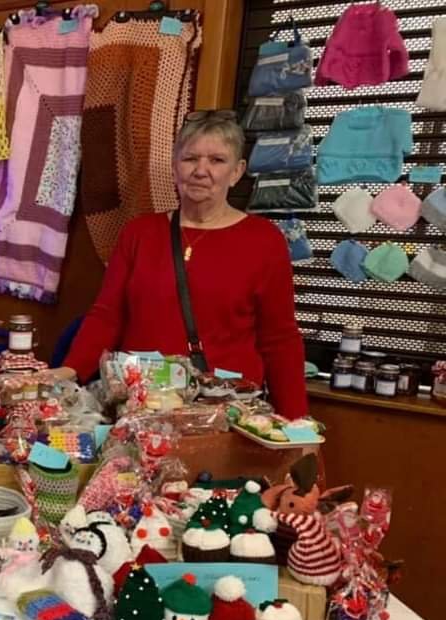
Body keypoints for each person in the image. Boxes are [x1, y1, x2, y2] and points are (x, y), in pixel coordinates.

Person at [63, 110, 308, 418]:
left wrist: (295, 421)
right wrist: (67, 374)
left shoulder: (264, 241)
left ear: (237, 171)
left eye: (217, 160)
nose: (201, 170)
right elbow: (107, 316)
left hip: (225, 411)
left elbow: (279, 338)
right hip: (140, 408)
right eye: (190, 158)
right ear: (175, 166)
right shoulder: (139, 234)